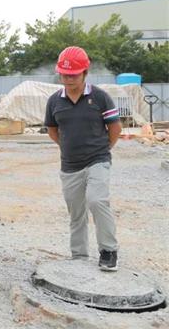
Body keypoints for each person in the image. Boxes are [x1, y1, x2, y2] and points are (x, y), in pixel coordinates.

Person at [44, 46, 121, 271]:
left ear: (85, 73)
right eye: (64, 75)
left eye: (73, 75)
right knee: (76, 212)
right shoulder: (54, 101)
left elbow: (115, 127)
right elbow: (52, 130)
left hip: (98, 160)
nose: (68, 79)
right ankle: (79, 255)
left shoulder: (100, 97)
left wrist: (103, 149)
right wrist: (67, 147)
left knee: (97, 201)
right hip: (70, 166)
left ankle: (108, 250)